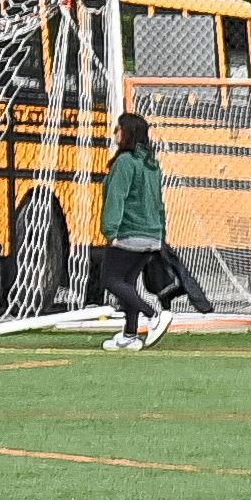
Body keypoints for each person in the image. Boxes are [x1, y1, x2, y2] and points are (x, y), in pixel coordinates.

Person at [93, 114, 172, 349]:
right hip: (151, 235)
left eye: (118, 128)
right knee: (127, 283)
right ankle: (129, 335)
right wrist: (160, 234)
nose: (114, 133)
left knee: (110, 279)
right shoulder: (151, 163)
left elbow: (116, 198)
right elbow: (158, 202)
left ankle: (154, 315)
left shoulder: (125, 162)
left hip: (129, 233)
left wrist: (111, 231)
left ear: (126, 132)